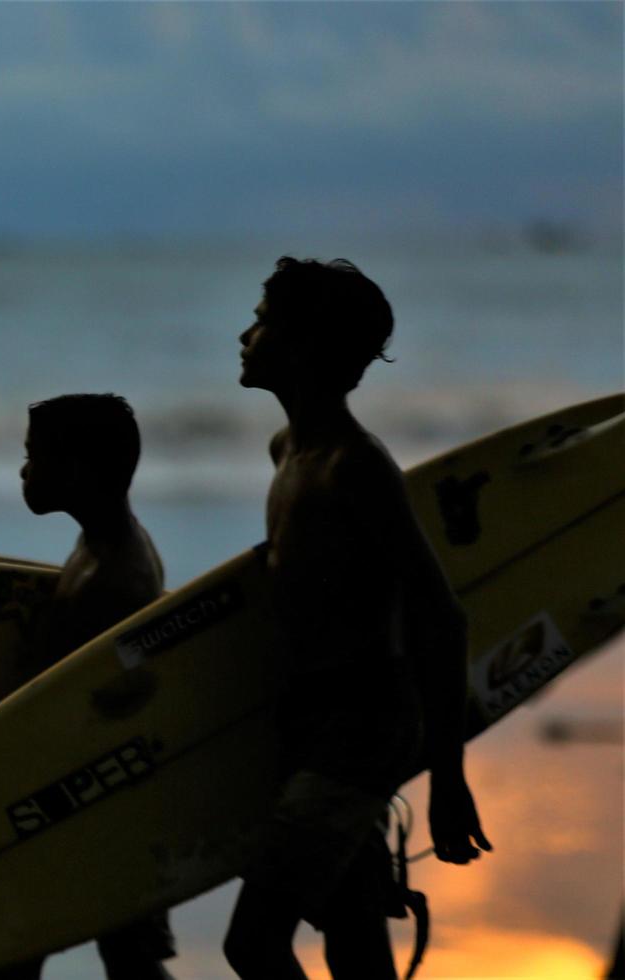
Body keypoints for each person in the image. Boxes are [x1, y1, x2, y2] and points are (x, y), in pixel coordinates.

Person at [224, 257, 490, 979]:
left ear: (302, 346)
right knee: (352, 932)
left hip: (358, 730)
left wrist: (447, 777)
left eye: (262, 321)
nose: (244, 334)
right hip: (311, 723)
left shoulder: (353, 465)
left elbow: (440, 614)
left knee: (252, 944)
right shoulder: (288, 452)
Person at [0, 393, 175, 980]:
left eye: (32, 457)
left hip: (95, 803)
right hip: (96, 801)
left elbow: (99, 701)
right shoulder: (103, 542)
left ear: (74, 472)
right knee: (122, 955)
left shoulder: (113, 578)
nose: (23, 471)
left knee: (37, 954)